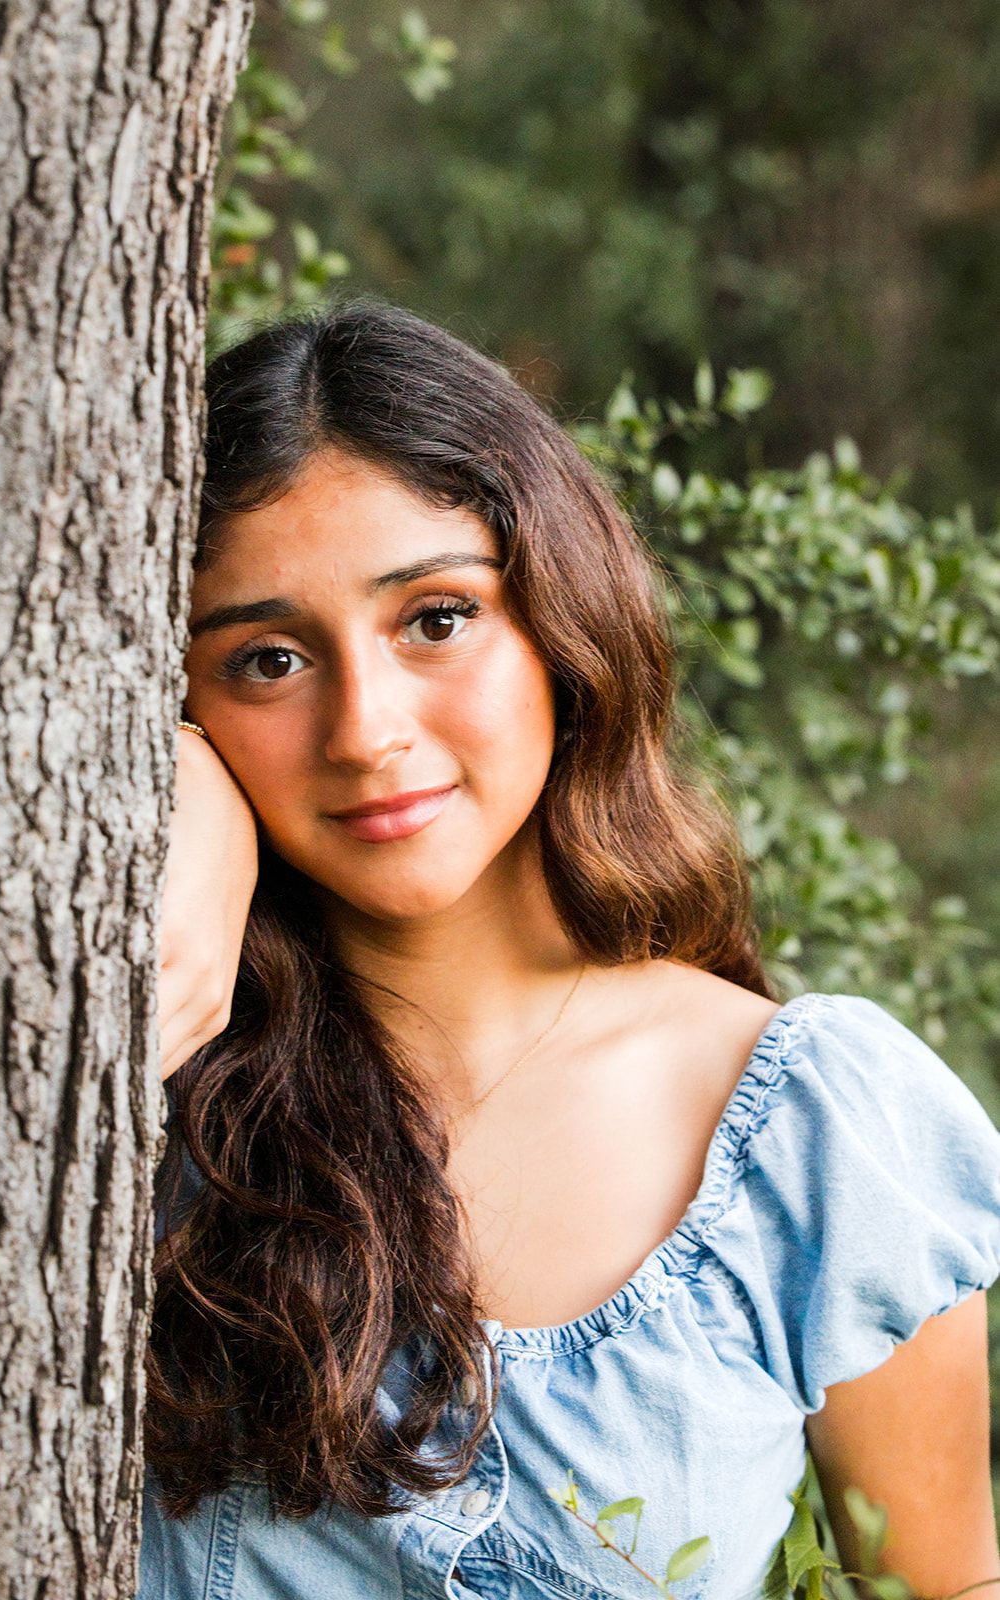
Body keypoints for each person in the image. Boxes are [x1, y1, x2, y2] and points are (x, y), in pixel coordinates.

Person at [142, 297, 1000, 1600]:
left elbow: (939, 1588)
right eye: (267, 660)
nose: (365, 732)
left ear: (561, 614)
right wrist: (175, 800)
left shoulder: (812, 1132)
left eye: (436, 619)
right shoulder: (145, 1087)